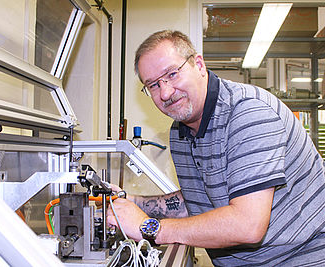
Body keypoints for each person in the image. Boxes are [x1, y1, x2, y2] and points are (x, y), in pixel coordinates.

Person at [106, 30, 325, 266]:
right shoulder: (180, 130)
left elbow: (247, 225)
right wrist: (128, 201)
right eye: (154, 85)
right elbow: (197, 202)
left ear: (198, 64)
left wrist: (149, 228)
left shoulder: (248, 113)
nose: (166, 92)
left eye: (172, 74)